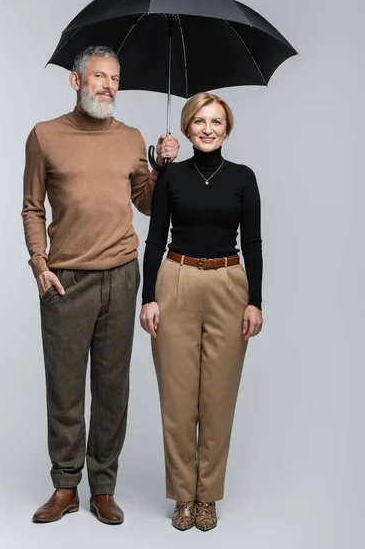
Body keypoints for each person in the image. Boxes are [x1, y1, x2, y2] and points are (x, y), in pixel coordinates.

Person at [21, 45, 179, 525]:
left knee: (112, 388)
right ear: (76, 81)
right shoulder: (45, 136)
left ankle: (103, 488)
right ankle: (66, 486)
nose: (108, 85)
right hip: (65, 280)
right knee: (65, 389)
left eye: (114, 78)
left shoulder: (130, 138)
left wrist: (162, 168)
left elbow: (147, 203)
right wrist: (39, 263)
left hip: (121, 274)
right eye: (99, 77)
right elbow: (32, 206)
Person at [140, 92, 263, 531]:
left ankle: (207, 496)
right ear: (187, 128)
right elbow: (154, 239)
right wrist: (147, 297)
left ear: (226, 128)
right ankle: (183, 496)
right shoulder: (171, 177)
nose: (208, 129)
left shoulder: (243, 178)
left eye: (216, 121)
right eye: (199, 122)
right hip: (175, 279)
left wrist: (256, 301)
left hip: (230, 284)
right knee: (176, 400)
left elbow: (253, 243)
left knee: (218, 398)